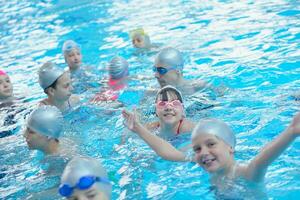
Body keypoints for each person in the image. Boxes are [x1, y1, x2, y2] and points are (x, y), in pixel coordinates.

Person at [122, 109, 300, 196]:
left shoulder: (245, 173)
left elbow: (262, 160)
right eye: (197, 149)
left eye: (211, 144)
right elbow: (169, 153)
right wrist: (138, 129)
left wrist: (292, 130)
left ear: (230, 146)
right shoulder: (207, 164)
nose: (204, 152)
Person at [153, 47, 223, 96]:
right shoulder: (152, 94)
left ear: (178, 70)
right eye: (154, 69)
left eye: (161, 70)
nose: (156, 75)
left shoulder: (199, 87)